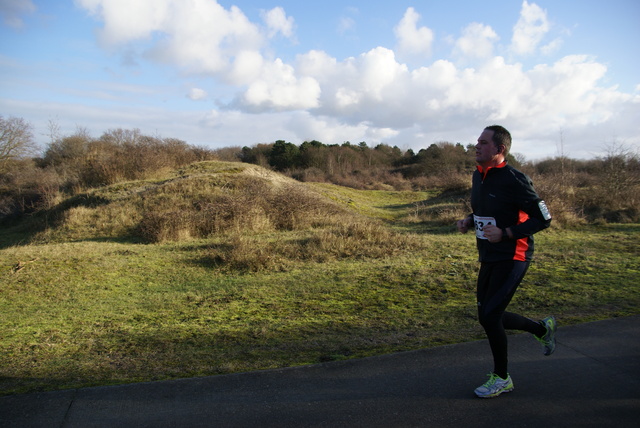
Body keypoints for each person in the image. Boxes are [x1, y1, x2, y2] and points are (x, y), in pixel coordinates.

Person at [456, 125, 556, 398]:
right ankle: (541, 328)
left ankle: (502, 378)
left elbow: (543, 218)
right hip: (489, 254)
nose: (476, 145)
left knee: (490, 315)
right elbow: (486, 209)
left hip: (514, 255)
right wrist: (469, 219)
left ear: (499, 149)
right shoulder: (479, 176)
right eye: (477, 141)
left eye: (483, 142)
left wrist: (507, 233)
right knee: (487, 315)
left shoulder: (515, 179)